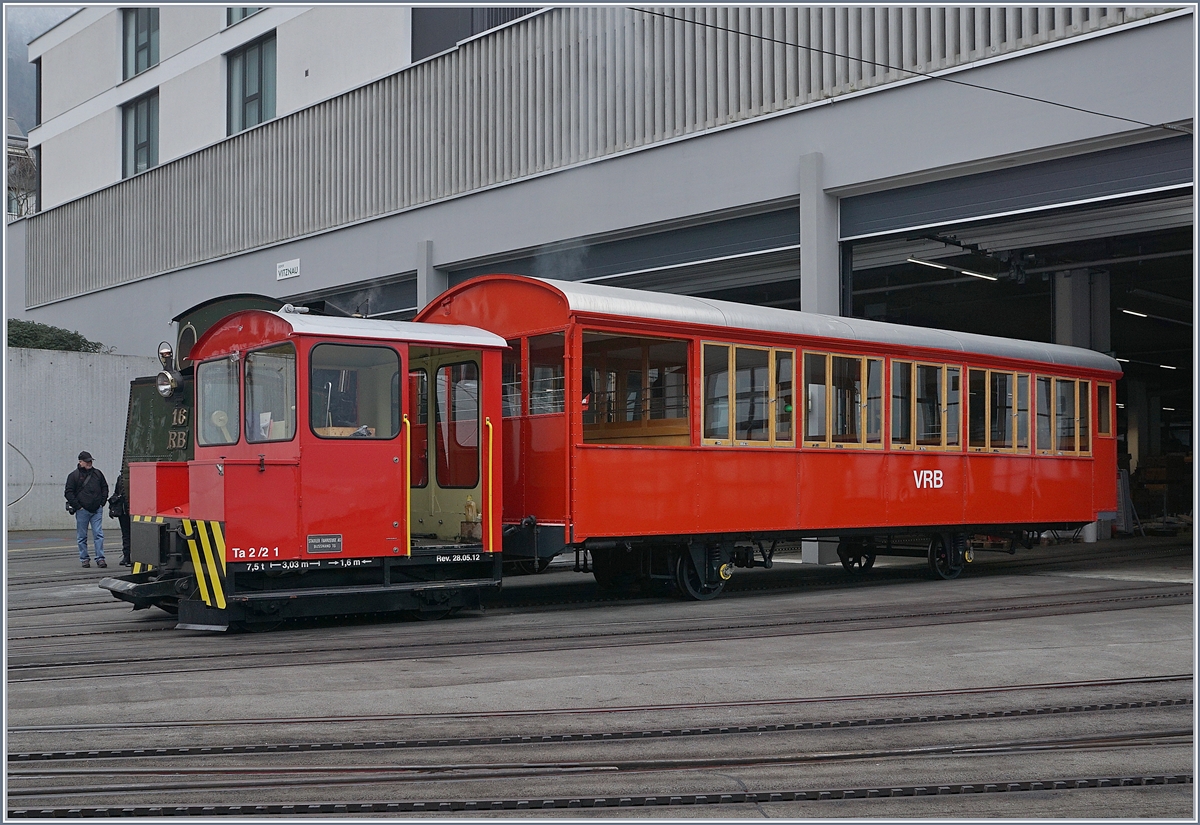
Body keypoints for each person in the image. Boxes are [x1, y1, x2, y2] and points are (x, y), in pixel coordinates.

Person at [64, 451, 108, 568]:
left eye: (90, 461)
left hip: (96, 510)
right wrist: (79, 507)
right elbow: (68, 493)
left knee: (98, 534)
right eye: (87, 461)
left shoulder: (98, 474)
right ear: (80, 462)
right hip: (82, 511)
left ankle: (100, 558)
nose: (89, 463)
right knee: (82, 536)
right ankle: (84, 559)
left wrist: (101, 503)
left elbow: (105, 487)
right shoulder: (74, 476)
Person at [108, 472, 131, 566]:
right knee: (126, 534)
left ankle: (128, 556)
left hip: (128, 509)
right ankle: (127, 556)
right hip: (123, 510)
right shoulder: (120, 478)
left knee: (128, 534)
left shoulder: (121, 477)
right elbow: (117, 492)